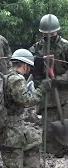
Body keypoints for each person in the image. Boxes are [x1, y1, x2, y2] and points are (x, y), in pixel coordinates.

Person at [0, 49, 51, 168]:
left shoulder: (5, 76)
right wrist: (42, 90)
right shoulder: (17, 79)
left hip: (10, 128)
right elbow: (26, 101)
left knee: (34, 139)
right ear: (24, 65)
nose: (28, 70)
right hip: (10, 132)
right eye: (28, 66)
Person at [29, 14, 68, 157]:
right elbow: (29, 63)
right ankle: (52, 155)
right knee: (49, 129)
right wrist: (37, 66)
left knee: (65, 122)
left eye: (51, 33)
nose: (48, 36)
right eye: (45, 34)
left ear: (56, 31)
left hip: (64, 95)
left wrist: (60, 79)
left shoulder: (65, 46)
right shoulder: (38, 47)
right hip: (47, 94)